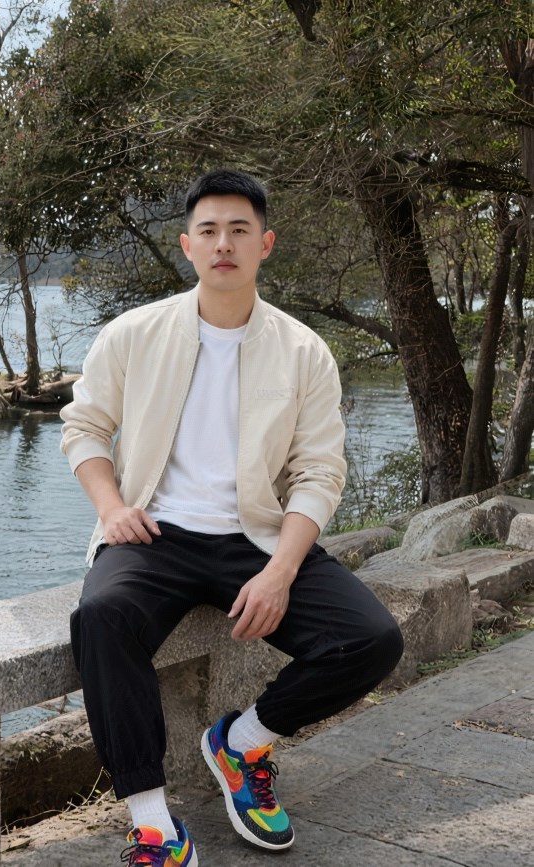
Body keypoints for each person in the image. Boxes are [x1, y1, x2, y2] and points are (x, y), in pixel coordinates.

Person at [61, 168, 403, 866]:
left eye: (239, 230)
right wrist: (113, 507)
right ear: (187, 245)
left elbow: (318, 471)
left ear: (264, 244)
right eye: (209, 230)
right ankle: (154, 824)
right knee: (101, 617)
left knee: (371, 638)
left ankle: (241, 743)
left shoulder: (303, 351)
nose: (224, 244)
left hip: (257, 535)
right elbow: (84, 427)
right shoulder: (134, 333)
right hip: (153, 534)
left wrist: (281, 571)